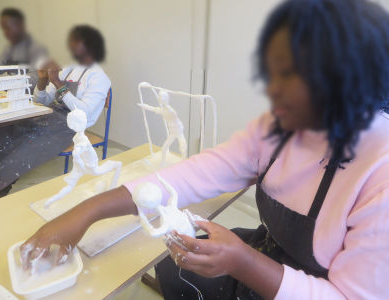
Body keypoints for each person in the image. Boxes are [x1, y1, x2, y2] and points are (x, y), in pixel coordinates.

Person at [20, 0, 389, 299]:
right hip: (268, 250)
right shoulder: (279, 127)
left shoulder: (380, 171)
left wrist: (244, 263)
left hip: (309, 286)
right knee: (170, 266)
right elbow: (198, 174)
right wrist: (88, 211)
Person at [0, 25, 110, 197]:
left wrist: (58, 84)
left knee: (28, 143)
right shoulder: (70, 69)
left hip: (70, 126)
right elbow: (43, 101)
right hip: (49, 115)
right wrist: (43, 81)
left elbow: (85, 114)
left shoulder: (99, 78)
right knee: (8, 127)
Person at [0, 8, 48, 89]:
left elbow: (34, 79)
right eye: (3, 29)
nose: (5, 33)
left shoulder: (37, 49)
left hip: (30, 97)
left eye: (7, 28)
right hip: (12, 93)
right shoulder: (9, 48)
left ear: (20, 24)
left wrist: (5, 83)